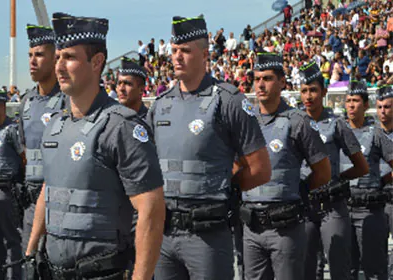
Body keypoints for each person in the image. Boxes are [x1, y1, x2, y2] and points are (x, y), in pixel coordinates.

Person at [25, 13, 165, 280]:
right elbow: (49, 190)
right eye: (57, 58)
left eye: (70, 57)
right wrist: (31, 251)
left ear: (97, 62)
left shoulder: (121, 126)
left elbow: (152, 209)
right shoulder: (55, 125)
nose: (59, 67)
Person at [149, 15, 271, 280]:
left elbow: (260, 169)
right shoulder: (160, 106)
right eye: (174, 51)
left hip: (206, 236)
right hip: (164, 235)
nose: (177, 57)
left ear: (205, 55)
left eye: (185, 51)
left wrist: (225, 190)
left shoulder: (228, 101)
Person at [242, 53, 331, 280]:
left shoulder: (298, 121)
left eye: (268, 78)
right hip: (251, 228)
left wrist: (298, 190)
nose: (261, 84)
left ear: (282, 82)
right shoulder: (246, 123)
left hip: (285, 227)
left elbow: (323, 171)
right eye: (257, 78)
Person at [298, 62, 369, 280]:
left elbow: (361, 166)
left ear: (324, 92)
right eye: (304, 91)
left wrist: (338, 178)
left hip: (332, 206)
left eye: (313, 90)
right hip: (304, 206)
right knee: (307, 268)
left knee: (339, 266)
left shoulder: (337, 124)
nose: (308, 96)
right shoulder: (293, 122)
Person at [18, 24, 69, 279]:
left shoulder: (68, 100)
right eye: (29, 55)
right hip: (31, 204)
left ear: (54, 57)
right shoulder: (26, 102)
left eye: (39, 55)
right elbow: (25, 153)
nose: (32, 61)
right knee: (30, 269)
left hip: (62, 205)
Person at [341, 80, 393, 280]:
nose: (351, 105)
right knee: (347, 270)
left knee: (374, 271)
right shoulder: (338, 132)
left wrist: (383, 181)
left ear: (365, 105)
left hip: (369, 210)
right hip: (343, 209)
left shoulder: (376, 134)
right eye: (348, 101)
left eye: (356, 101)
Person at [0, 90, 24, 280]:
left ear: (2, 107)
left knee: (11, 238)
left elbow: (23, 158)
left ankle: (13, 274)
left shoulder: (11, 130)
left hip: (6, 189)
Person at [376, 85, 393, 278]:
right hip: (377, 199)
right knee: (376, 249)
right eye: (380, 107)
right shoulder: (372, 134)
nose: (383, 111)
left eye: (387, 107)